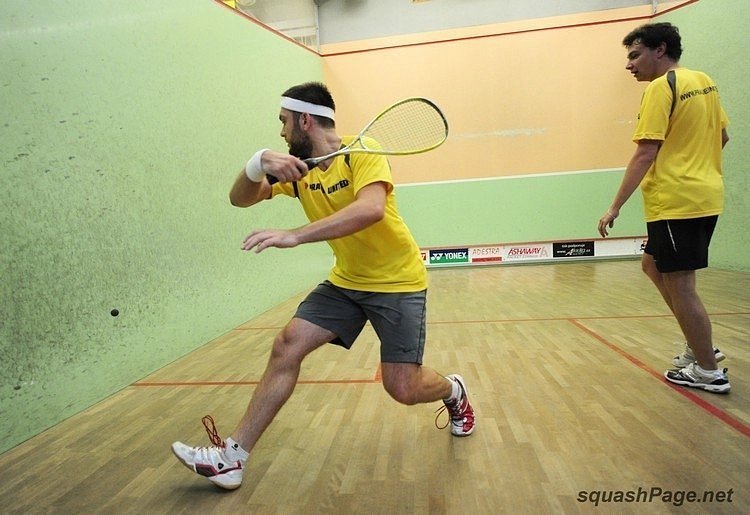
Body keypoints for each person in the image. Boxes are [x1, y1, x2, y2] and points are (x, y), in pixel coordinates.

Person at [171, 82, 475, 490]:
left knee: (402, 387)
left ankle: (453, 391)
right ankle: (232, 458)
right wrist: (257, 163)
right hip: (346, 282)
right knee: (287, 345)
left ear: (305, 120)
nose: (281, 132)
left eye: (284, 121)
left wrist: (295, 235)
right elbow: (239, 199)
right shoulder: (300, 170)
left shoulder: (362, 150)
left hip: (397, 283)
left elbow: (370, 209)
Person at [597, 23, 730, 393]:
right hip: (705, 194)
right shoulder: (703, 81)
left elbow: (645, 152)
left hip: (676, 201)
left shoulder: (660, 87)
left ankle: (708, 370)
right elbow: (722, 136)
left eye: (635, 55)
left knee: (681, 284)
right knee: (651, 264)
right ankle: (699, 342)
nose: (629, 65)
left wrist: (614, 207)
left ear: (660, 50)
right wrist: (696, 166)